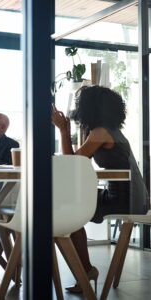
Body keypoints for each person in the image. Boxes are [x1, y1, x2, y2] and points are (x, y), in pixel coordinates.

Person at [51, 85, 149, 293]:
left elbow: (72, 164)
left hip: (125, 198)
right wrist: (67, 131)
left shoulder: (100, 132)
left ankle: (85, 272)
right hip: (130, 195)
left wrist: (62, 130)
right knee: (70, 208)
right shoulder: (108, 130)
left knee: (70, 211)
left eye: (80, 104)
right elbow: (75, 160)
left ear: (89, 108)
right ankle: (85, 272)